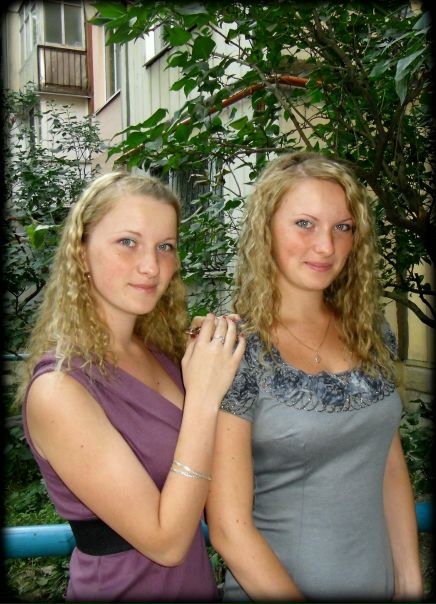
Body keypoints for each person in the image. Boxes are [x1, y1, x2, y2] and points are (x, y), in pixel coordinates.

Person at [17, 171, 245, 602]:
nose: (151, 266)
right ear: (82, 254)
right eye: (128, 242)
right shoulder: (58, 389)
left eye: (165, 246)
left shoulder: (162, 353)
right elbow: (167, 543)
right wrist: (204, 395)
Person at [206, 151, 423, 600]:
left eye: (342, 227)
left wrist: (409, 580)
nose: (326, 245)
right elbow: (229, 528)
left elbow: (388, 462)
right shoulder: (234, 350)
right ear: (265, 229)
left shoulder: (371, 331)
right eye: (304, 224)